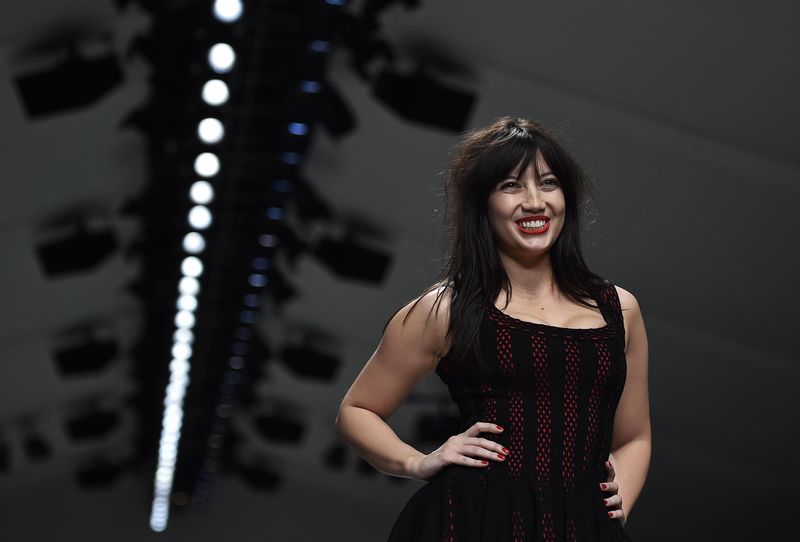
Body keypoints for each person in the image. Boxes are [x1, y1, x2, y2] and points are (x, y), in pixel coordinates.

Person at [334, 116, 651, 541]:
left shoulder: (619, 309)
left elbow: (634, 436)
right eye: (511, 185)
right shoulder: (445, 309)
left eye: (549, 182)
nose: (535, 202)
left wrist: (615, 510)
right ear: (482, 204)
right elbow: (356, 411)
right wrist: (417, 461)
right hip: (471, 522)